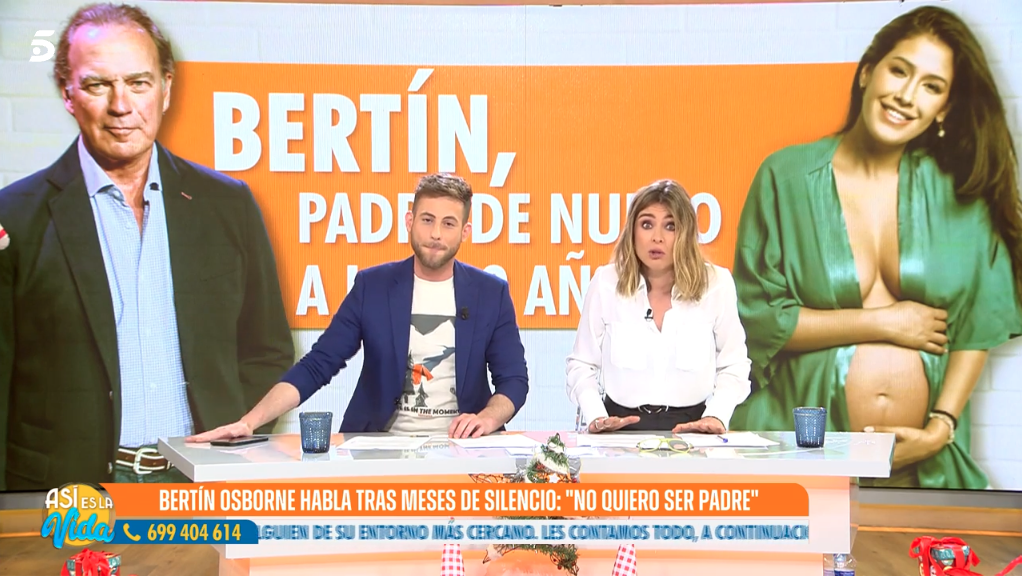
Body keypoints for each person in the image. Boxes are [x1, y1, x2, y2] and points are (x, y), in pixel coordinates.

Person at [0, 3, 295, 490]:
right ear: (68, 93)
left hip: (200, 487)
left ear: (166, 88)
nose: (122, 105)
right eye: (99, 85)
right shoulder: (15, 217)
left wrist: (231, 439)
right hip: (67, 494)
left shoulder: (228, 204)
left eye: (138, 83)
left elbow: (267, 351)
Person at [729, 6, 1022, 489]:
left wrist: (940, 428)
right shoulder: (786, 176)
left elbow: (977, 327)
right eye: (899, 71)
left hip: (924, 465)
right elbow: (759, 318)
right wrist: (885, 322)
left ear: (944, 108)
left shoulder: (961, 192)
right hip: (798, 453)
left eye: (931, 86)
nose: (907, 95)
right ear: (867, 72)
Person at [187, 173, 530, 442]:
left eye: (448, 223)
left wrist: (487, 418)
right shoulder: (373, 287)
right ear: (409, 221)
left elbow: (513, 380)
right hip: (380, 446)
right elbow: (318, 365)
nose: (436, 234)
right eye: (427, 220)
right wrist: (249, 422)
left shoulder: (491, 293)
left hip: (462, 450)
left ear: (465, 231)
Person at [565, 179, 752, 434]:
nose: (657, 238)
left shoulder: (716, 284)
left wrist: (716, 416)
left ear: (686, 233)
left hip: (693, 428)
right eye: (647, 224)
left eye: (670, 226)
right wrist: (597, 417)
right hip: (618, 430)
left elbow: (734, 365)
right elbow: (581, 364)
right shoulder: (606, 282)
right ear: (632, 231)